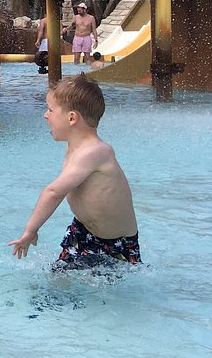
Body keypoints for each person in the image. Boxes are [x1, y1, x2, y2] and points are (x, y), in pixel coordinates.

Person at [8, 75, 140, 269]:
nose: (45, 115)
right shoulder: (73, 147)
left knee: (108, 285)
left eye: (50, 110)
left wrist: (31, 230)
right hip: (82, 231)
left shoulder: (97, 151)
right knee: (59, 276)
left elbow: (54, 192)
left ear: (71, 118)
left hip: (117, 243)